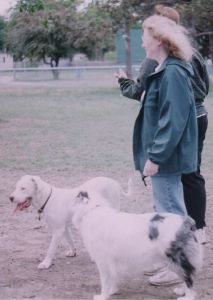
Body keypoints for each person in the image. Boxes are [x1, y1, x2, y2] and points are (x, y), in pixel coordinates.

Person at [115, 14, 198, 285]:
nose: (142, 40)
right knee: (167, 210)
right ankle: (172, 263)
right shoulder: (164, 69)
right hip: (164, 157)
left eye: (145, 36)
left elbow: (172, 121)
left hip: (167, 158)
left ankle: (179, 269)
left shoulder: (173, 72)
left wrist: (155, 157)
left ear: (159, 40)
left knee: (172, 213)